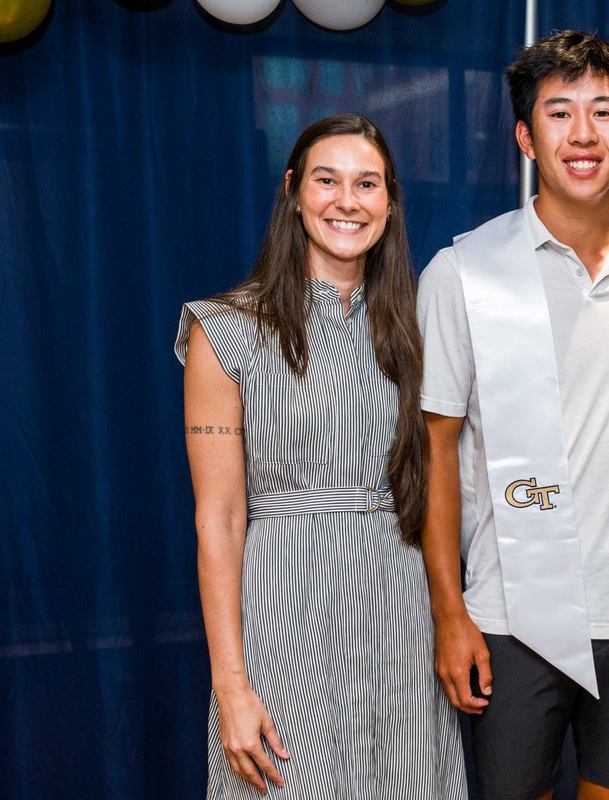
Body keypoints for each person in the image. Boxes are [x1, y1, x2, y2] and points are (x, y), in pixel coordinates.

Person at [417, 31, 609, 800]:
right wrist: (450, 614)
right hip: (513, 618)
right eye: (560, 113)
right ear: (525, 136)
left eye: (604, 113)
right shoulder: (463, 273)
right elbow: (436, 452)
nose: (583, 134)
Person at [175, 112, 466, 799]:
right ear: (293, 192)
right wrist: (232, 685)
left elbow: (453, 477)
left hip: (399, 604)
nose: (346, 200)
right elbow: (217, 519)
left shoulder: (423, 330)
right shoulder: (225, 332)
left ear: (390, 203)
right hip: (284, 610)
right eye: (327, 180)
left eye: (367, 184)